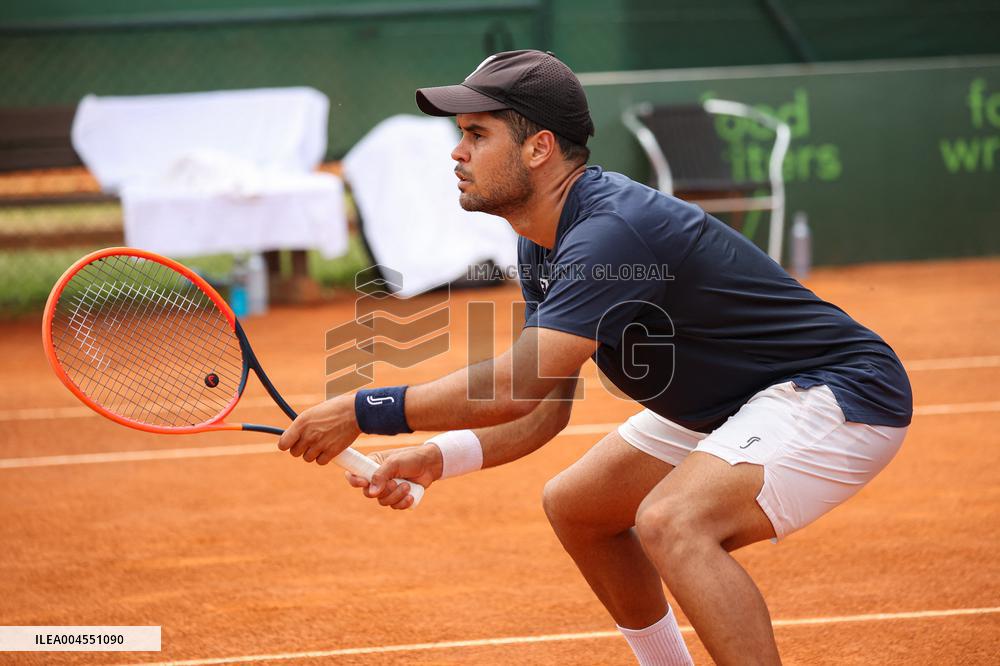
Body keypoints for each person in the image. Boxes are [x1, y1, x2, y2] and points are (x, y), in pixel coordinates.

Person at [277, 50, 912, 665]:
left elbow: (517, 384)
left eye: (476, 133)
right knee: (578, 507)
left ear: (538, 148)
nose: (457, 150)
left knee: (673, 524)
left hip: (836, 394)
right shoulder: (542, 240)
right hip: (736, 401)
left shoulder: (610, 231)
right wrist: (436, 457)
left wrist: (368, 409)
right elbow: (542, 408)